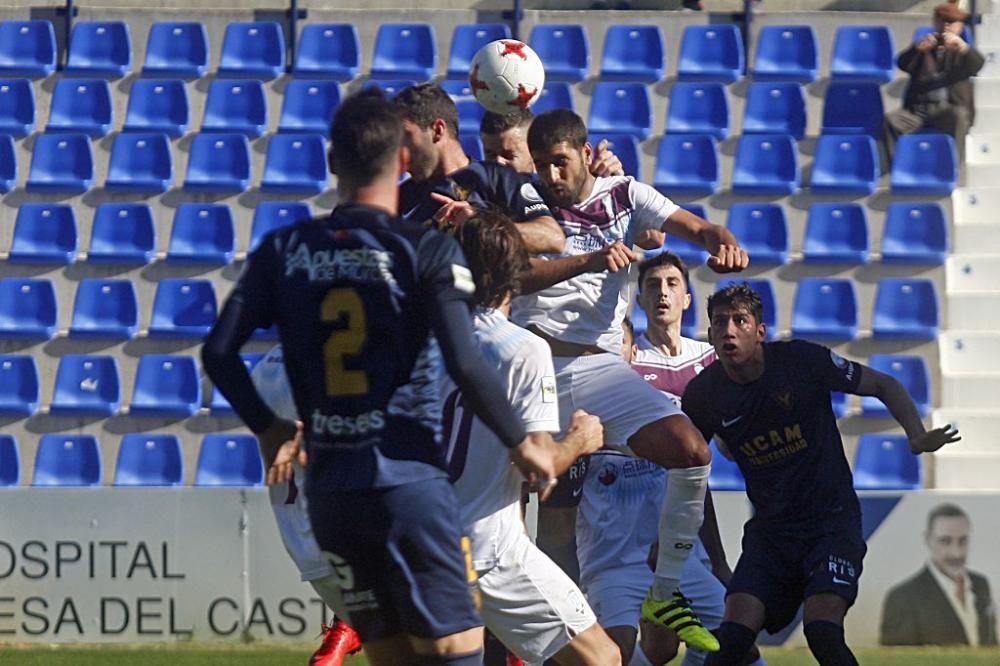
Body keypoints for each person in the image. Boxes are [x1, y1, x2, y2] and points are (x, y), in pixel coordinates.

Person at [202, 89, 560, 666]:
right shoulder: (422, 250)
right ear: (400, 162)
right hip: (408, 486)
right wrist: (523, 444)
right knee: (456, 651)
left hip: (334, 498)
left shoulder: (283, 249)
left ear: (330, 162)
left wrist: (268, 428)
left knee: (393, 658)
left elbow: (219, 354)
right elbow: (466, 362)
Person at [519, 108, 750, 653]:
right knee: (509, 507)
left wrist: (722, 241)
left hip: (599, 369)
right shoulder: (525, 200)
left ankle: (664, 588)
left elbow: (697, 226)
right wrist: (592, 259)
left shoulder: (625, 194)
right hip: (532, 365)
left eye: (560, 163)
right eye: (542, 165)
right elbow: (515, 271)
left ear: (582, 152)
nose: (551, 176)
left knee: (691, 451)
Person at [681, 283, 962, 666]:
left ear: (759, 330)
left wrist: (915, 434)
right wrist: (716, 560)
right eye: (719, 322)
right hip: (772, 535)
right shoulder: (703, 396)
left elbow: (883, 383)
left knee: (822, 631)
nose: (729, 330)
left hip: (831, 525)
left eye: (739, 320)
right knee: (730, 640)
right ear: (710, 333)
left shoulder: (800, 361)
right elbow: (692, 479)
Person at [445, 210, 621, 665]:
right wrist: (582, 439)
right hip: (487, 549)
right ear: (516, 274)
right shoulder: (522, 348)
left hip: (422, 540)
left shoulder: (425, 342)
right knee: (602, 659)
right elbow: (539, 466)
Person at [577, 255, 763, 666]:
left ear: (687, 298)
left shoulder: (710, 363)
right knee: (657, 648)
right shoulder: (622, 364)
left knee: (721, 644)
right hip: (624, 537)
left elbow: (720, 448)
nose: (662, 291)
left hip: (681, 532)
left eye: (673, 283)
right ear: (639, 299)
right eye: (653, 284)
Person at [479, 107, 625, 585]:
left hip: (564, 372)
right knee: (505, 514)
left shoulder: (566, 194)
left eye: (509, 154)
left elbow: (647, 234)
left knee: (556, 523)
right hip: (505, 369)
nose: (499, 165)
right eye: (489, 156)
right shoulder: (488, 207)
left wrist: (610, 180)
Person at [249, 346, 361, 666]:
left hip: (300, 538)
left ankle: (346, 628)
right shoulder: (328, 366)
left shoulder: (267, 366)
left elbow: (221, 361)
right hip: (336, 527)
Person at [880, 503, 997, 646]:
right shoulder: (903, 598)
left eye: (963, 540)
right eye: (945, 541)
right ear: (928, 540)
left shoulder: (981, 584)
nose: (956, 552)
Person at [883, 0, 984, 162]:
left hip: (947, 109)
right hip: (918, 109)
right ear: (935, 23)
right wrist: (916, 50)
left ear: (960, 26)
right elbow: (902, 64)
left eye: (951, 23)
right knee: (891, 121)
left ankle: (953, 166)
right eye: (942, 21)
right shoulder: (925, 46)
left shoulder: (963, 52)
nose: (946, 26)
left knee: (959, 116)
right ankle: (899, 165)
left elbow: (978, 65)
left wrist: (963, 47)